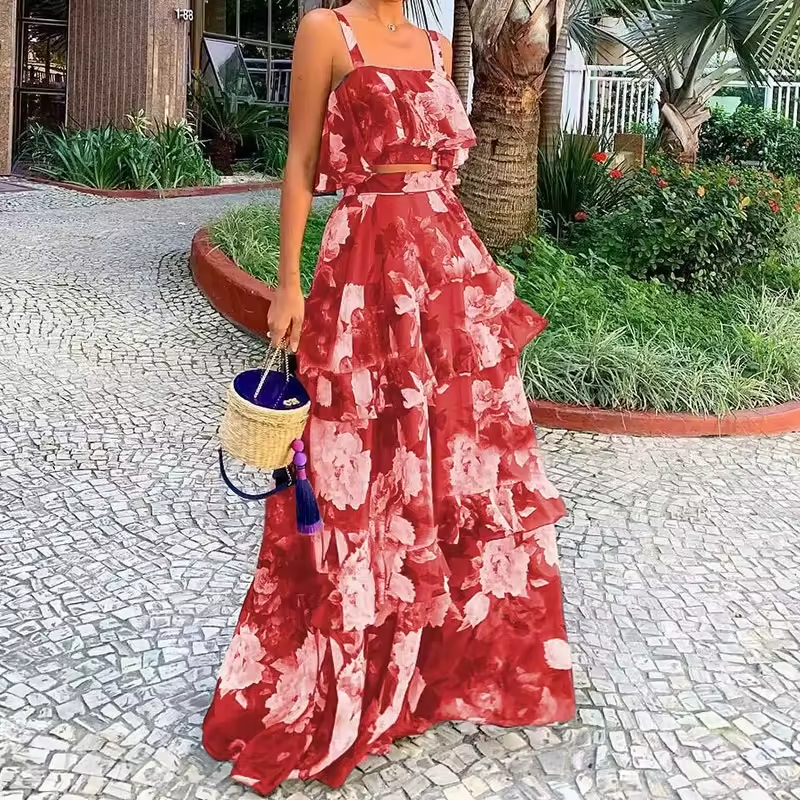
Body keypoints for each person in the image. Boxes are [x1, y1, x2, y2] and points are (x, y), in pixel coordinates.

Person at [202, 0, 575, 793]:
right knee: (355, 462)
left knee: (456, 459)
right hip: (364, 263)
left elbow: (444, 175)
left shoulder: (438, 45)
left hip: (445, 269)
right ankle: (352, 663)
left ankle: (433, 662)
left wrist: (467, 277)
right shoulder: (325, 31)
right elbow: (301, 162)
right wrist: (287, 281)